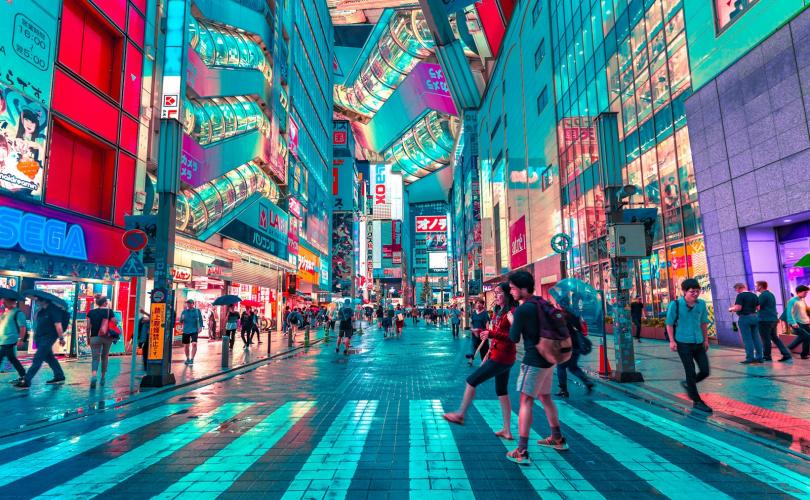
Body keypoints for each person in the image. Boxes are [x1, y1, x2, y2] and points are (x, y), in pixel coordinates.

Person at [506, 271, 568, 464]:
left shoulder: (523, 310)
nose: (511, 292)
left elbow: (514, 338)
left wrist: (512, 321)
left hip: (533, 361)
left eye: (513, 288)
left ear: (523, 288)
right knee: (545, 397)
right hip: (549, 359)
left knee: (525, 402)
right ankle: (557, 438)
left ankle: (522, 450)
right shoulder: (542, 302)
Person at [444, 282, 517, 440]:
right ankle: (507, 429)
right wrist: (487, 343)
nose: (496, 296)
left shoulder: (511, 313)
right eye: (495, 292)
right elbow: (497, 334)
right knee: (502, 391)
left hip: (502, 357)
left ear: (507, 294)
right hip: (502, 356)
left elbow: (513, 337)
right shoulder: (500, 311)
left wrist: (491, 334)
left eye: (498, 293)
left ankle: (460, 414)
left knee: (471, 380)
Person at [666, 279, 713, 413]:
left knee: (705, 371)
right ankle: (697, 400)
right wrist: (672, 341)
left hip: (698, 342)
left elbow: (704, 323)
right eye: (692, 291)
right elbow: (669, 323)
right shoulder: (675, 304)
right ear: (685, 292)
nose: (695, 294)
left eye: (697, 291)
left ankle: (688, 384)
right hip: (683, 342)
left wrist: (706, 340)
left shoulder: (701, 304)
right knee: (690, 371)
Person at [15, 298, 66, 388]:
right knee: (50, 358)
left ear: (44, 300)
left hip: (48, 338)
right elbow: (37, 323)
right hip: (40, 338)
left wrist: (61, 338)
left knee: (37, 359)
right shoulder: (41, 311)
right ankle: (59, 375)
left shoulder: (54, 310)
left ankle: (27, 380)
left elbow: (58, 325)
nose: (36, 301)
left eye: (37, 300)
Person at [555, 304, 594, 397]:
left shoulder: (560, 316)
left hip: (566, 345)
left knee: (560, 367)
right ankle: (587, 382)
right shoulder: (576, 316)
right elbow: (581, 329)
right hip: (577, 345)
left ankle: (563, 389)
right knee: (573, 367)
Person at [756, 281, 792, 362]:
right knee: (775, 338)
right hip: (773, 319)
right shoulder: (771, 294)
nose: (755, 287)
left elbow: (758, 307)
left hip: (764, 320)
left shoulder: (763, 295)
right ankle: (786, 354)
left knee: (766, 339)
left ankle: (767, 356)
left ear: (760, 286)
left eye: (756, 286)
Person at [86, 296, 116, 388]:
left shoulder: (91, 312)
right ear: (104, 303)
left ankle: (94, 375)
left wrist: (88, 338)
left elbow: (88, 327)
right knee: (105, 356)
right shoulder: (109, 311)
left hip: (94, 337)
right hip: (107, 337)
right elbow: (114, 322)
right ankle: (103, 378)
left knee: (95, 358)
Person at [729, 283, 763, 364]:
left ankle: (750, 358)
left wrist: (731, 309)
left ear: (738, 288)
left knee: (747, 338)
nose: (736, 291)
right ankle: (759, 357)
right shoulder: (754, 295)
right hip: (755, 317)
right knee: (756, 338)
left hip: (745, 318)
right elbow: (758, 308)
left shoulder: (740, 295)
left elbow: (738, 308)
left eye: (736, 289)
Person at [0, 296, 27, 383]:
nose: (3, 302)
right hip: (2, 340)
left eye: (5, 301)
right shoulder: (5, 313)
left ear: (12, 301)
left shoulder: (18, 313)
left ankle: (24, 376)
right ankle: (23, 375)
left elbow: (22, 327)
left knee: (8, 358)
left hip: (10, 340)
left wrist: (21, 339)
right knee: (12, 358)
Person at [785, 285, 810, 360]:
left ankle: (789, 348)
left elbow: (804, 311)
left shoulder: (802, 300)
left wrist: (808, 319)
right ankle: (803, 354)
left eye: (807, 292)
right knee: (807, 336)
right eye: (805, 292)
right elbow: (789, 312)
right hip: (797, 323)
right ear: (799, 292)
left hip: (805, 322)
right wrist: (793, 323)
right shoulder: (792, 301)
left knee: (805, 337)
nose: (806, 294)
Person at [180, 299, 203, 364]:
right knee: (186, 346)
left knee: (194, 344)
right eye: (187, 303)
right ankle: (187, 358)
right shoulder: (184, 312)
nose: (188, 304)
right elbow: (181, 321)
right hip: (186, 330)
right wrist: (182, 319)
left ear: (193, 304)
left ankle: (192, 359)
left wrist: (200, 327)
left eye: (190, 303)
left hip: (194, 330)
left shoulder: (197, 311)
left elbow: (200, 319)